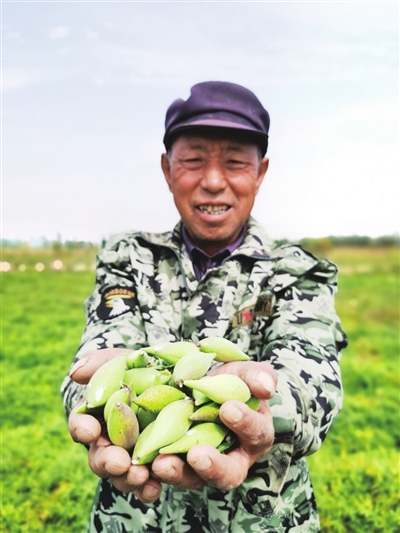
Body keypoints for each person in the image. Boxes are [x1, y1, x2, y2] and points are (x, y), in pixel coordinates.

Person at [62, 81, 347, 533]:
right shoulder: (126, 259)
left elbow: (316, 381)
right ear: (167, 168)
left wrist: (263, 409)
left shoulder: (296, 272)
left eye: (234, 161)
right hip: (135, 518)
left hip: (265, 520)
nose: (213, 181)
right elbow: (103, 352)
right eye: (194, 159)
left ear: (261, 171)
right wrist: (94, 406)